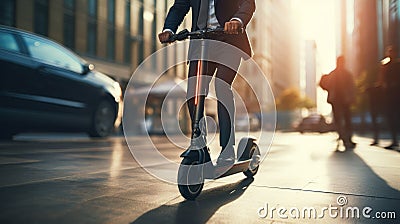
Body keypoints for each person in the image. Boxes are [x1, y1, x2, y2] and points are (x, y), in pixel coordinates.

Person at [158, 0, 256, 164]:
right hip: (201, 41)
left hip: (228, 40)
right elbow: (180, 7)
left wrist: (237, 21)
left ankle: (227, 148)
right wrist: (169, 29)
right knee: (193, 92)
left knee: (222, 86)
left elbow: (248, 3)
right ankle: (199, 143)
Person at [320, 56, 356, 150]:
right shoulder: (337, 74)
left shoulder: (338, 74)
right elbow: (324, 83)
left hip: (342, 100)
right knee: (341, 119)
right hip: (338, 100)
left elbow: (352, 87)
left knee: (343, 119)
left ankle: (345, 138)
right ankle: (344, 138)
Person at [378, 46, 400, 150]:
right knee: (391, 117)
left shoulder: (397, 65)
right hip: (390, 95)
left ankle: (395, 140)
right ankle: (394, 140)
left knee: (395, 117)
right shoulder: (385, 65)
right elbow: (382, 80)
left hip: (396, 95)